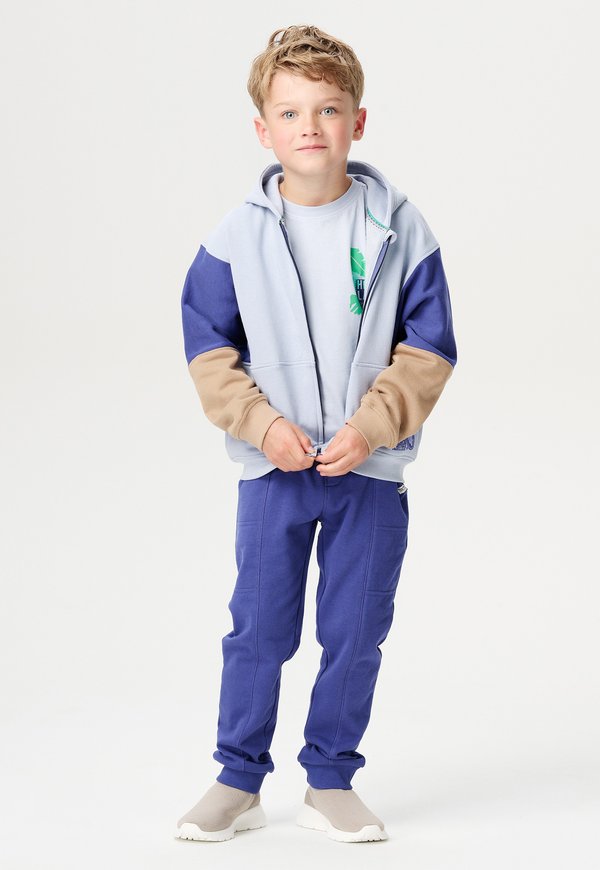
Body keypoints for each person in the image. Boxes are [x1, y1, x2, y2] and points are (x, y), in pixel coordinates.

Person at [174, 23, 457, 844]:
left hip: (369, 474)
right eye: (290, 112)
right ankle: (238, 779)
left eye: (328, 109)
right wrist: (262, 425)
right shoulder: (235, 237)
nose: (310, 126)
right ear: (263, 129)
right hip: (275, 473)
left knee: (356, 630)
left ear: (357, 122)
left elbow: (430, 347)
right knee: (259, 627)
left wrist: (372, 428)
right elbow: (208, 348)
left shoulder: (400, 227)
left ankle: (330, 779)